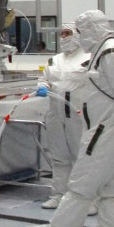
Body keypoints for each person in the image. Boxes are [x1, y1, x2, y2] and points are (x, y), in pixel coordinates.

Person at [25, 10, 114, 227]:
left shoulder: (110, 53)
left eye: (81, 32)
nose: (79, 37)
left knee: (82, 179)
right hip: (107, 124)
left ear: (92, 29)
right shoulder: (101, 52)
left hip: (107, 126)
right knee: (112, 186)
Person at [36, 24, 91, 209]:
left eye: (68, 34)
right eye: (62, 34)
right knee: (59, 156)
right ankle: (59, 194)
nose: (64, 37)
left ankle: (87, 198)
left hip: (79, 113)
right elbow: (44, 78)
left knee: (81, 156)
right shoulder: (55, 60)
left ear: (78, 36)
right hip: (55, 112)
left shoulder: (88, 58)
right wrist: (42, 86)